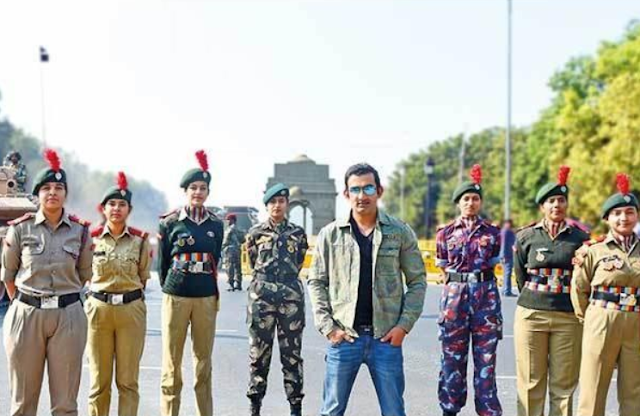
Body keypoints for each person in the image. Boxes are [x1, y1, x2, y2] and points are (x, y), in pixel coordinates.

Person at [308, 163, 426, 416]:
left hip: (385, 338)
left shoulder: (399, 232)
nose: (362, 196)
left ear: (379, 191)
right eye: (356, 189)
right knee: (331, 411)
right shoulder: (330, 235)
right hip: (344, 337)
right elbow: (316, 281)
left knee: (394, 411)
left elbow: (417, 281)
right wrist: (329, 328)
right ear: (346, 194)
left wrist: (403, 326)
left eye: (368, 188)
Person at [1, 149, 92, 416]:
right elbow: (9, 276)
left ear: (65, 193)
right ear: (38, 193)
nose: (52, 192)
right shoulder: (20, 228)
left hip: (68, 316)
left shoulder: (80, 230)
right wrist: (29, 302)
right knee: (23, 404)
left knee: (65, 405)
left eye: (59, 187)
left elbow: (84, 273)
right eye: (46, 188)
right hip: (27, 314)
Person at [513, 166, 589, 416]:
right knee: (531, 382)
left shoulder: (580, 238)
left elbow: (583, 278)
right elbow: (520, 276)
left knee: (563, 385)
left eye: (561, 200)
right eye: (551, 201)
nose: (556, 205)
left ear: (566, 205)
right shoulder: (526, 236)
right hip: (532, 315)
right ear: (542, 206)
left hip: (568, 317)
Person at [157, 150, 224, 416]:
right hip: (176, 296)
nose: (198, 192)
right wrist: (172, 286)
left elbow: (215, 257)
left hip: (205, 296)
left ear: (208, 192)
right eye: (193, 187)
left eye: (203, 188)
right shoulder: (170, 222)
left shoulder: (216, 225)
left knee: (203, 363)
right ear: (185, 191)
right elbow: (162, 264)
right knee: (171, 364)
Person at [435, 164, 502, 416]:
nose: (471, 203)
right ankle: (449, 408)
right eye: (466, 199)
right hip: (454, 300)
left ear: (480, 202)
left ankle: (488, 411)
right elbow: (442, 266)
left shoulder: (493, 233)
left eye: (475, 198)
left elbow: (495, 262)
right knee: (452, 358)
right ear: (458, 203)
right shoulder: (445, 233)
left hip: (486, 298)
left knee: (486, 360)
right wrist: (457, 287)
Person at [571, 173, 640, 416]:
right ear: (608, 219)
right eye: (618, 214)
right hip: (602, 319)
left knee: (634, 391)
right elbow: (579, 288)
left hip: (636, 323)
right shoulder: (594, 250)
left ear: (637, 216)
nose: (624, 218)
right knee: (593, 388)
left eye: (630, 212)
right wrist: (589, 319)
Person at [86, 171, 152, 416]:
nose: (116, 208)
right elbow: (82, 273)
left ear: (129, 210)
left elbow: (143, 277)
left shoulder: (140, 240)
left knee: (127, 382)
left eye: (122, 204)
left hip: (130, 311)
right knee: (98, 383)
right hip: (98, 312)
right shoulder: (90, 239)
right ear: (103, 209)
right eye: (111, 204)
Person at [245, 183, 308, 416]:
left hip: (290, 296)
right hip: (261, 297)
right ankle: (255, 405)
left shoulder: (298, 234)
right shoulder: (255, 233)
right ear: (267, 205)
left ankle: (295, 406)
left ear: (287, 204)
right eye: (273, 202)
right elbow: (253, 262)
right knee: (259, 354)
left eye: (281, 201)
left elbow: (299, 259)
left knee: (292, 354)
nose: (277, 206)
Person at [222, 213, 245, 291]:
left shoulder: (229, 229)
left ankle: (231, 285)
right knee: (238, 267)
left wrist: (222, 248)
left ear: (232, 220)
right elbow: (243, 240)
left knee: (229, 267)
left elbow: (225, 241)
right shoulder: (239, 229)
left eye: (228, 220)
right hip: (237, 250)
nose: (227, 221)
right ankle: (239, 284)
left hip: (230, 250)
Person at [500, 219, 517, 296]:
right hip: (507, 255)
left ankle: (505, 290)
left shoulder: (506, 231)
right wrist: (503, 255)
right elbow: (503, 244)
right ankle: (507, 291)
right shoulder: (506, 232)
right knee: (507, 273)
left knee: (506, 274)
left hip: (507, 255)